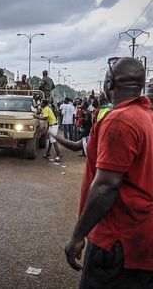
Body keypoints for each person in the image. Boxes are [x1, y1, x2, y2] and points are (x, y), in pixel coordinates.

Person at [65, 57, 153, 288]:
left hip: (116, 240)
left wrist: (77, 236)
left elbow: (106, 186)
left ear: (110, 83)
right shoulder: (146, 116)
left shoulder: (120, 121)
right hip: (140, 237)